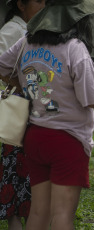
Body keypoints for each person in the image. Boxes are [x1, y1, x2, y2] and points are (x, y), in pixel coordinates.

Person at [0, 0, 94, 229]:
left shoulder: (27, 41)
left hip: (35, 137)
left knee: (38, 212)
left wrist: (21, 84)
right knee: (63, 215)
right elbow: (92, 99)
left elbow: (2, 65)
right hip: (68, 140)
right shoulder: (75, 48)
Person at [0, 0, 45, 229]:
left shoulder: (32, 29)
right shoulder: (14, 30)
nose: (44, 5)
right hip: (20, 116)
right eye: (39, 1)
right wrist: (20, 85)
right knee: (17, 179)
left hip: (30, 116)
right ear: (21, 4)